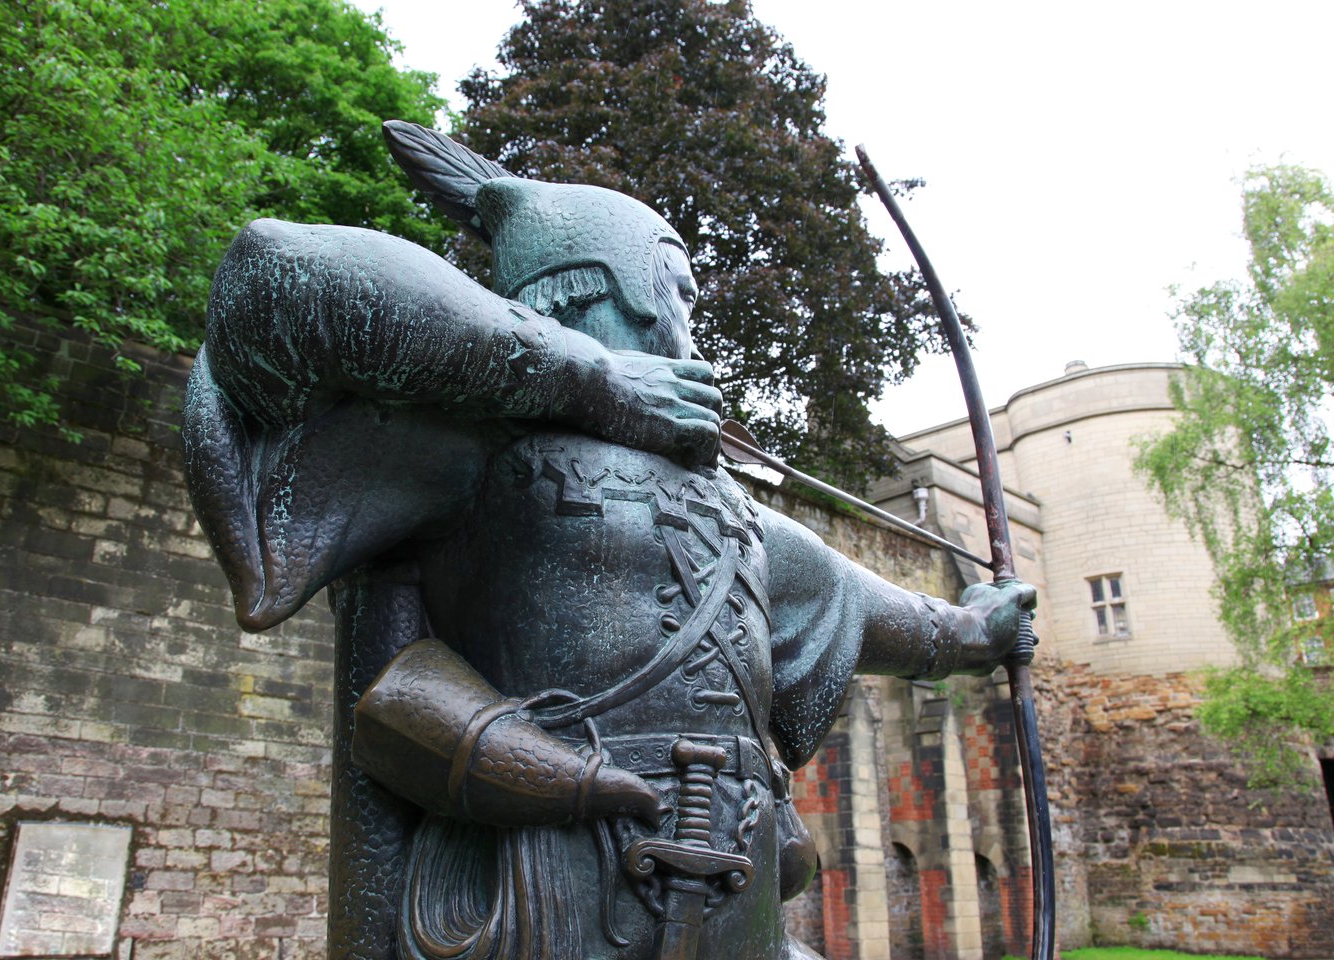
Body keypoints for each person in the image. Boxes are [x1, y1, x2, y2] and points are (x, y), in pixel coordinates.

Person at [183, 122, 1034, 960]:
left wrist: (979, 631)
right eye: (682, 289)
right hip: (554, 873)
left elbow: (887, 612)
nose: (691, 320)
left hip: (730, 871)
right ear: (613, 284)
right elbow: (274, 272)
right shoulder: (472, 448)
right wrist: (590, 380)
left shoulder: (732, 509)